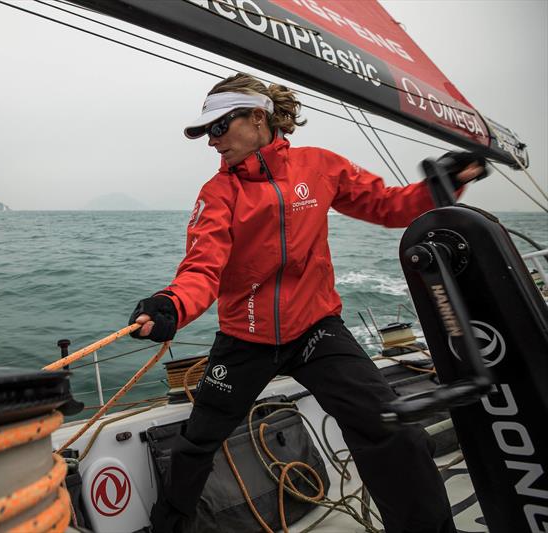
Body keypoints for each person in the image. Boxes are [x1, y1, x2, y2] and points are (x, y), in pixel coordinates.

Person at [128, 73, 485, 533]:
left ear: (257, 118)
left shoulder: (321, 167)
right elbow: (203, 268)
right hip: (246, 338)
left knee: (388, 425)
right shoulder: (218, 194)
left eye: (219, 128)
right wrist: (171, 305)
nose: (213, 143)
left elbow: (387, 206)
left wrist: (444, 184)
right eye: (206, 133)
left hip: (317, 329)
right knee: (196, 443)